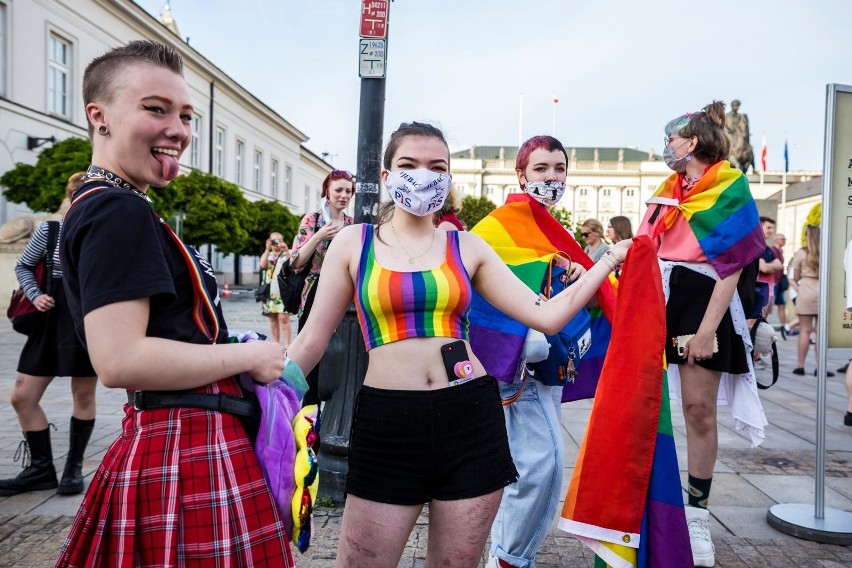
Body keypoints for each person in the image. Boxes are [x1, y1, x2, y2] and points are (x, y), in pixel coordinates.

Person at [283, 122, 632, 568]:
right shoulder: (356, 242)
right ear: (387, 175)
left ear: (448, 179)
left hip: (469, 419)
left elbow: (546, 315)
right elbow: (311, 340)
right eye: (409, 165)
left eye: (437, 167)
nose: (424, 175)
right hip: (388, 423)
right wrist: (271, 397)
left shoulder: (468, 246)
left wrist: (610, 260)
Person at [56, 40, 294, 566]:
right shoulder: (117, 210)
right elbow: (121, 360)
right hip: (184, 442)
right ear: (100, 117)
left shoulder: (113, 203)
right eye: (155, 109)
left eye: (185, 115)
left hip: (175, 437)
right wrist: (249, 357)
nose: (179, 130)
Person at [637, 101, 767, 567]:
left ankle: (697, 513)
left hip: (703, 299)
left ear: (691, 142)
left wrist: (708, 330)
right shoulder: (666, 190)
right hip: (660, 296)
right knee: (648, 408)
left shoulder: (730, 186)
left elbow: (732, 267)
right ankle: (648, 506)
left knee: (698, 411)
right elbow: (644, 249)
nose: (666, 147)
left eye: (671, 139)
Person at [474, 135, 605, 568]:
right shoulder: (503, 223)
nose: (552, 177)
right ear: (521, 174)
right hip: (518, 363)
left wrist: (564, 269)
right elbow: (483, 278)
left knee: (530, 465)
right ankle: (509, 558)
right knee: (542, 466)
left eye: (559, 169)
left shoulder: (547, 226)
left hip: (543, 362)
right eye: (542, 169)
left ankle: (504, 553)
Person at [0, 172, 98, 498]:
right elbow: (24, 266)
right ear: (71, 198)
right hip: (49, 318)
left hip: (84, 320)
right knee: (22, 397)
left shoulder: (100, 231)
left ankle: (73, 468)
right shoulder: (51, 230)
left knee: (82, 395)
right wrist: (35, 293)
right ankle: (41, 469)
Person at [289, 168, 354, 407]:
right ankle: (304, 410)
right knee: (309, 352)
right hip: (314, 292)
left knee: (336, 354)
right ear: (327, 191)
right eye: (339, 190)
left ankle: (332, 407)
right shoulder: (312, 220)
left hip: (344, 295)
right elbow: (295, 262)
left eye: (348, 191)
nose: (344, 195)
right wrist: (318, 236)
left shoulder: (352, 224)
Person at [790, 225, 833, 377]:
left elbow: (795, 276)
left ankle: (800, 366)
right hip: (823, 290)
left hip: (806, 290)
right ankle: (820, 367)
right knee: (821, 332)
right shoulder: (827, 251)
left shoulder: (801, 252)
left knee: (804, 330)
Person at [259, 231, 292, 347]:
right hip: (270, 292)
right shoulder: (268, 255)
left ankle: (288, 345)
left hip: (283, 292)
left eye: (279, 241)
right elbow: (262, 266)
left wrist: (287, 250)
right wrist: (267, 249)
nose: (276, 244)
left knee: (284, 318)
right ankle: (276, 344)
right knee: (272, 318)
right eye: (274, 241)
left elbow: (293, 265)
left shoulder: (288, 253)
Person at [757, 216, 782, 316]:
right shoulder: (757, 246)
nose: (771, 231)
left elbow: (780, 265)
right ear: (760, 227)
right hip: (759, 291)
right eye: (769, 227)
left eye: (772, 228)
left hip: (769, 292)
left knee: (763, 322)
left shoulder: (767, 248)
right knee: (756, 324)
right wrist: (771, 266)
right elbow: (764, 268)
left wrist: (768, 266)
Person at [771, 232, 789, 330]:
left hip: (779, 281)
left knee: (782, 304)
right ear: (776, 240)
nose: (784, 241)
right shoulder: (772, 251)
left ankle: (785, 327)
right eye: (782, 239)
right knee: (768, 306)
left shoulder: (780, 251)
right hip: (773, 281)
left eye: (784, 239)